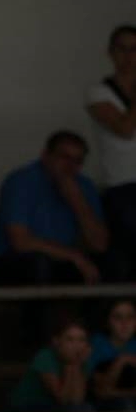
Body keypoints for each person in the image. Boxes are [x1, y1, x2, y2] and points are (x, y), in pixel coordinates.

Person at [0, 132, 109, 287]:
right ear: (45, 156)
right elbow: (21, 242)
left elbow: (99, 244)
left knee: (111, 263)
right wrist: (73, 256)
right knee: (39, 263)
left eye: (77, 161)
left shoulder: (84, 186)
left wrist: (77, 201)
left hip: (62, 262)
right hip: (11, 263)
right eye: (64, 157)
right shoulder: (22, 181)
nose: (70, 166)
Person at [85, 24, 136, 280]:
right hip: (122, 186)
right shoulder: (98, 93)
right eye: (122, 49)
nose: (129, 56)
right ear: (111, 53)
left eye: (134, 50)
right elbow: (124, 129)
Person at [8, 310, 100, 412]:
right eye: (70, 339)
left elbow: (77, 399)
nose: (76, 346)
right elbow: (62, 399)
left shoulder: (83, 359)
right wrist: (70, 365)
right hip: (27, 406)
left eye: (81, 340)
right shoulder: (45, 356)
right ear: (56, 341)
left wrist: (76, 365)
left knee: (84, 409)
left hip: (56, 407)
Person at [90, 294, 136, 410]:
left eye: (130, 317)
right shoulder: (96, 344)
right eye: (118, 317)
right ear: (107, 321)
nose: (124, 323)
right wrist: (121, 361)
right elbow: (101, 392)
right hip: (105, 405)